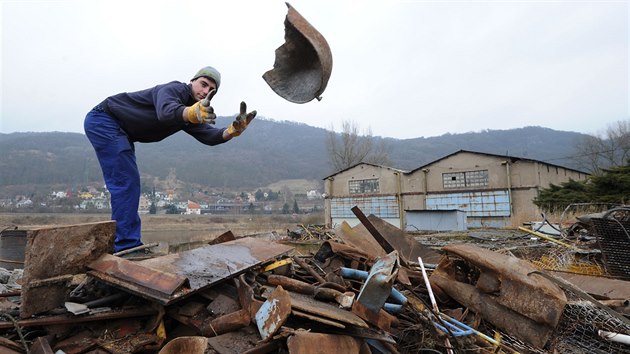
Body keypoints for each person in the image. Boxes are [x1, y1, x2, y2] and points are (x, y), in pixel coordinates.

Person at [84, 66, 256, 253]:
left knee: (129, 181)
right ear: (192, 81)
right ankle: (126, 246)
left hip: (120, 130)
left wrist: (231, 131)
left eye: (211, 90)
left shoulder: (190, 112)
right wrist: (192, 113)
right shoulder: (173, 90)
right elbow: (166, 111)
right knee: (126, 182)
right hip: (104, 119)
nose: (205, 91)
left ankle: (125, 244)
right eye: (203, 84)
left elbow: (209, 136)